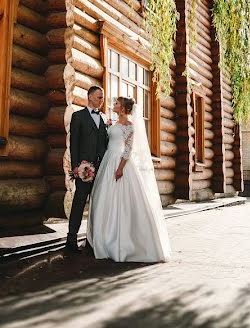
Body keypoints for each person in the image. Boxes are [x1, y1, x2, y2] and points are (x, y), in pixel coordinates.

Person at [87, 96, 171, 262]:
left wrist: (120, 168)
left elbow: (128, 149)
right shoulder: (113, 123)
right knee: (101, 198)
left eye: (117, 103)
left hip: (120, 163)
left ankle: (124, 243)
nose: (114, 105)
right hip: (107, 160)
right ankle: (101, 237)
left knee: (122, 201)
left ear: (124, 108)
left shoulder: (130, 126)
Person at [65, 85, 109, 252]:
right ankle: (71, 240)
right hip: (84, 169)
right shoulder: (78, 116)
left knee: (98, 205)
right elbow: (73, 143)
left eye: (103, 97)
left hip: (102, 169)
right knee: (79, 203)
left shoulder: (104, 118)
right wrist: (76, 166)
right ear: (90, 97)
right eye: (99, 97)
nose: (102, 100)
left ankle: (93, 240)